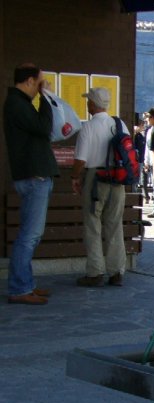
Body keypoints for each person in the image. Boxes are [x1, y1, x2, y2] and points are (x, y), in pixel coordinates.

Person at [3, 63, 58, 305]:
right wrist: (46, 99)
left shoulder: (18, 104)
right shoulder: (17, 104)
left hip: (32, 175)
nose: (41, 87)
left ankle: (26, 283)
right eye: (39, 83)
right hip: (33, 176)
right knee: (29, 235)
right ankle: (20, 288)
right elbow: (43, 127)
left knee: (31, 235)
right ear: (28, 81)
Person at [69, 87, 129, 287]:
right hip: (118, 179)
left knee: (93, 225)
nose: (87, 104)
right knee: (114, 225)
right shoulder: (120, 125)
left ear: (93, 104)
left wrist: (75, 177)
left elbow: (80, 159)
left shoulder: (88, 127)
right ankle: (116, 272)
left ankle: (95, 272)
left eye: (88, 101)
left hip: (96, 178)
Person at [133, 117, 151, 203]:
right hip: (137, 159)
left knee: (142, 178)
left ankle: (145, 195)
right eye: (141, 126)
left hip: (142, 159)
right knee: (137, 177)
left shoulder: (141, 135)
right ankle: (136, 192)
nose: (143, 127)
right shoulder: (136, 136)